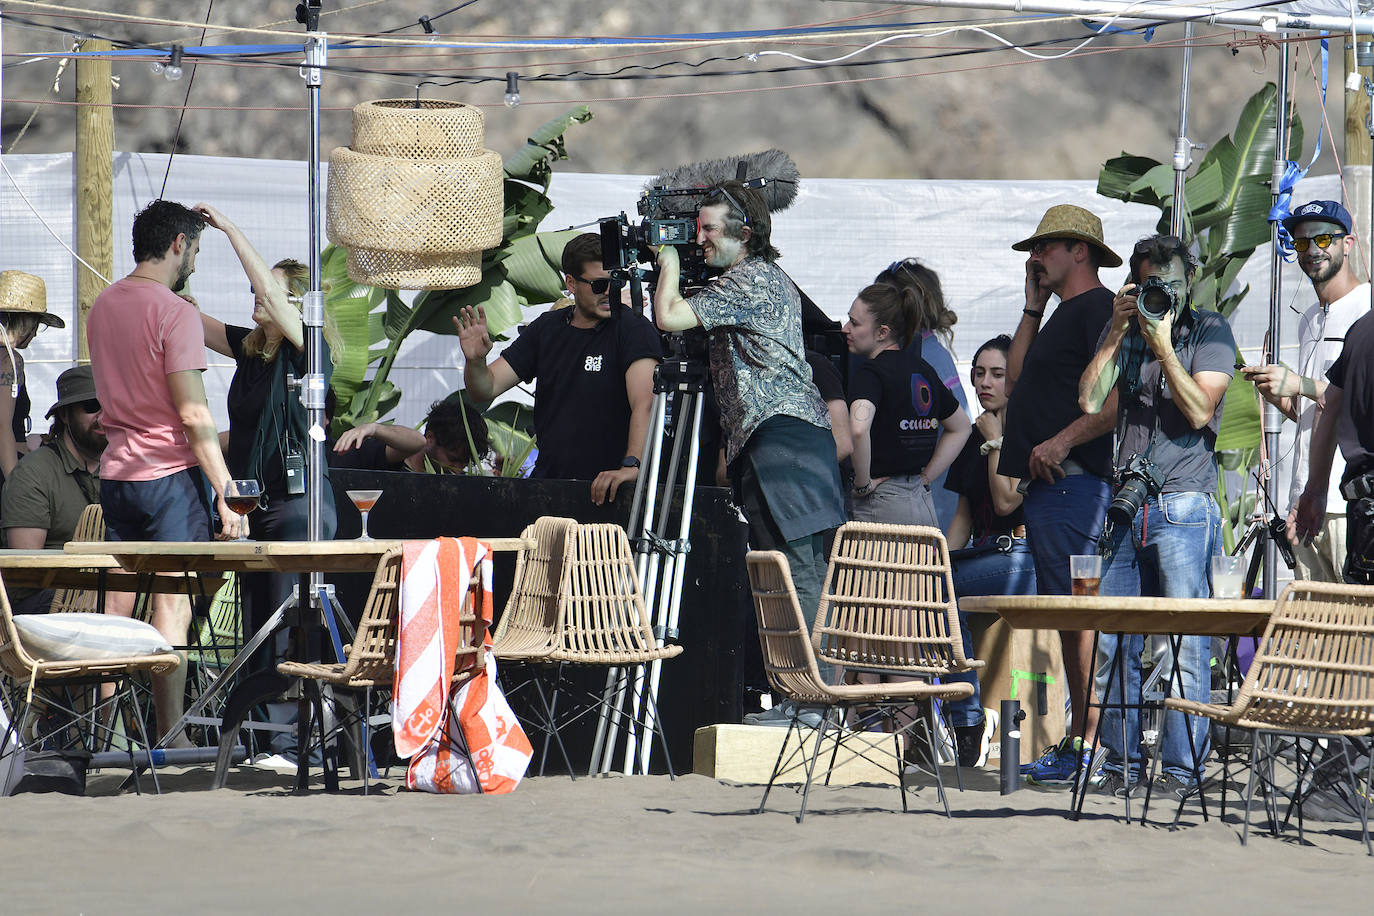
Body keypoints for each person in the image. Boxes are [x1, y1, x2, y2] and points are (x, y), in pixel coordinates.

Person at [654, 180, 846, 725]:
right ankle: (804, 697)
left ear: (744, 233)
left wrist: (666, 260)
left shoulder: (752, 278)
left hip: (782, 436)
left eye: (708, 229)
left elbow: (668, 317)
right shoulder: (749, 279)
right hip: (779, 437)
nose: (699, 240)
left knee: (799, 570)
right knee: (786, 568)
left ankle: (815, 703)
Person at [1079, 233, 1236, 800]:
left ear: (1189, 280)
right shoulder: (1125, 329)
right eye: (1151, 285)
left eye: (1171, 283)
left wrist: (1165, 345)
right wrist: (1120, 330)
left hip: (1183, 506)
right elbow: (1091, 401)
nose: (1161, 294)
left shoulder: (1210, 330)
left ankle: (1180, 772)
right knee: (1115, 639)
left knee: (1185, 644)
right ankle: (1120, 764)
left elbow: (1199, 410)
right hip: (1129, 504)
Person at [88, 199, 243, 747]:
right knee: (172, 606)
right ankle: (170, 733)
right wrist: (226, 491)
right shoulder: (174, 312)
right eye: (196, 249)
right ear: (179, 243)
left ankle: (103, 733)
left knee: (115, 606)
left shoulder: (102, 306)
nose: (194, 260)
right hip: (168, 478)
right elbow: (194, 413)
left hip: (117, 477)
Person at [999, 204, 1120, 786]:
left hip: (1075, 484)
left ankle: (1090, 743)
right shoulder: (1062, 312)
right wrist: (1031, 305)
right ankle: (1084, 741)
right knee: (1069, 614)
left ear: (1080, 251)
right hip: (1054, 489)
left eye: (1045, 247)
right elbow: (1018, 374)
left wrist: (1058, 443)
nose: (1035, 257)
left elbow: (1111, 403)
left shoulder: (1100, 308)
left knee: (1080, 613)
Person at [456, 232, 661, 506]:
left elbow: (645, 403)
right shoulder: (546, 328)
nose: (610, 291)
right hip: (550, 486)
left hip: (611, 490)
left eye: (616, 281)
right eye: (599, 285)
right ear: (571, 283)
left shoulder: (634, 329)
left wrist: (631, 467)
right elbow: (485, 388)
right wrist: (476, 361)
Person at [1245, 200, 1369, 582]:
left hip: (1348, 501)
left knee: (1357, 625)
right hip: (1306, 499)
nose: (1313, 250)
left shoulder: (1367, 308)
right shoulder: (1310, 319)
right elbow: (1316, 413)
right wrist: (1278, 393)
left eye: (1324, 238)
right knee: (1314, 630)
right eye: (1301, 243)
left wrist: (1298, 384)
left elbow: (1357, 404)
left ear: (1347, 243)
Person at [943, 334, 1035, 766]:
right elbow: (961, 522)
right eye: (979, 373)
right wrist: (930, 564)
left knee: (940, 595)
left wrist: (996, 439)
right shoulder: (978, 431)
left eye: (997, 374)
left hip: (1025, 559)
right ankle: (952, 719)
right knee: (925, 588)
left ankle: (966, 720)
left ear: (1015, 380)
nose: (984, 383)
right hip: (983, 557)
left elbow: (1006, 501)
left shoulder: (1030, 431)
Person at [843, 282, 970, 525]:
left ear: (882, 332)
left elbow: (858, 429)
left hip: (880, 503)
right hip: (922, 505)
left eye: (855, 323)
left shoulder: (871, 372)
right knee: (918, 565)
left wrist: (862, 484)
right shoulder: (924, 369)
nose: (845, 329)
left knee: (873, 566)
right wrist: (926, 478)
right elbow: (962, 427)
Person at [0, 366, 104, 614]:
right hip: (41, 604)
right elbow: (25, 570)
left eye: (112, 404)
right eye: (91, 406)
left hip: (105, 591)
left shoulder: (125, 469)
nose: (104, 416)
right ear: (65, 415)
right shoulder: (33, 473)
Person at [1295, 290, 1374, 584]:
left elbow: (1328, 408)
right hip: (1360, 506)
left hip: (1361, 512)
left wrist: (1314, 491)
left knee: (1355, 622)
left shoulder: (1362, 328)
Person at [0, 270, 64, 489]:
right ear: (25, 321)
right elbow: (2, 426)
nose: (36, 333)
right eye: (38, 324)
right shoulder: (9, 359)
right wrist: (14, 485)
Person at [334, 395, 492, 475]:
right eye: (452, 459)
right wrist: (373, 429)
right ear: (430, 438)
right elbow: (416, 441)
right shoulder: (388, 459)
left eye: (465, 463)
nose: (457, 469)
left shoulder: (458, 482)